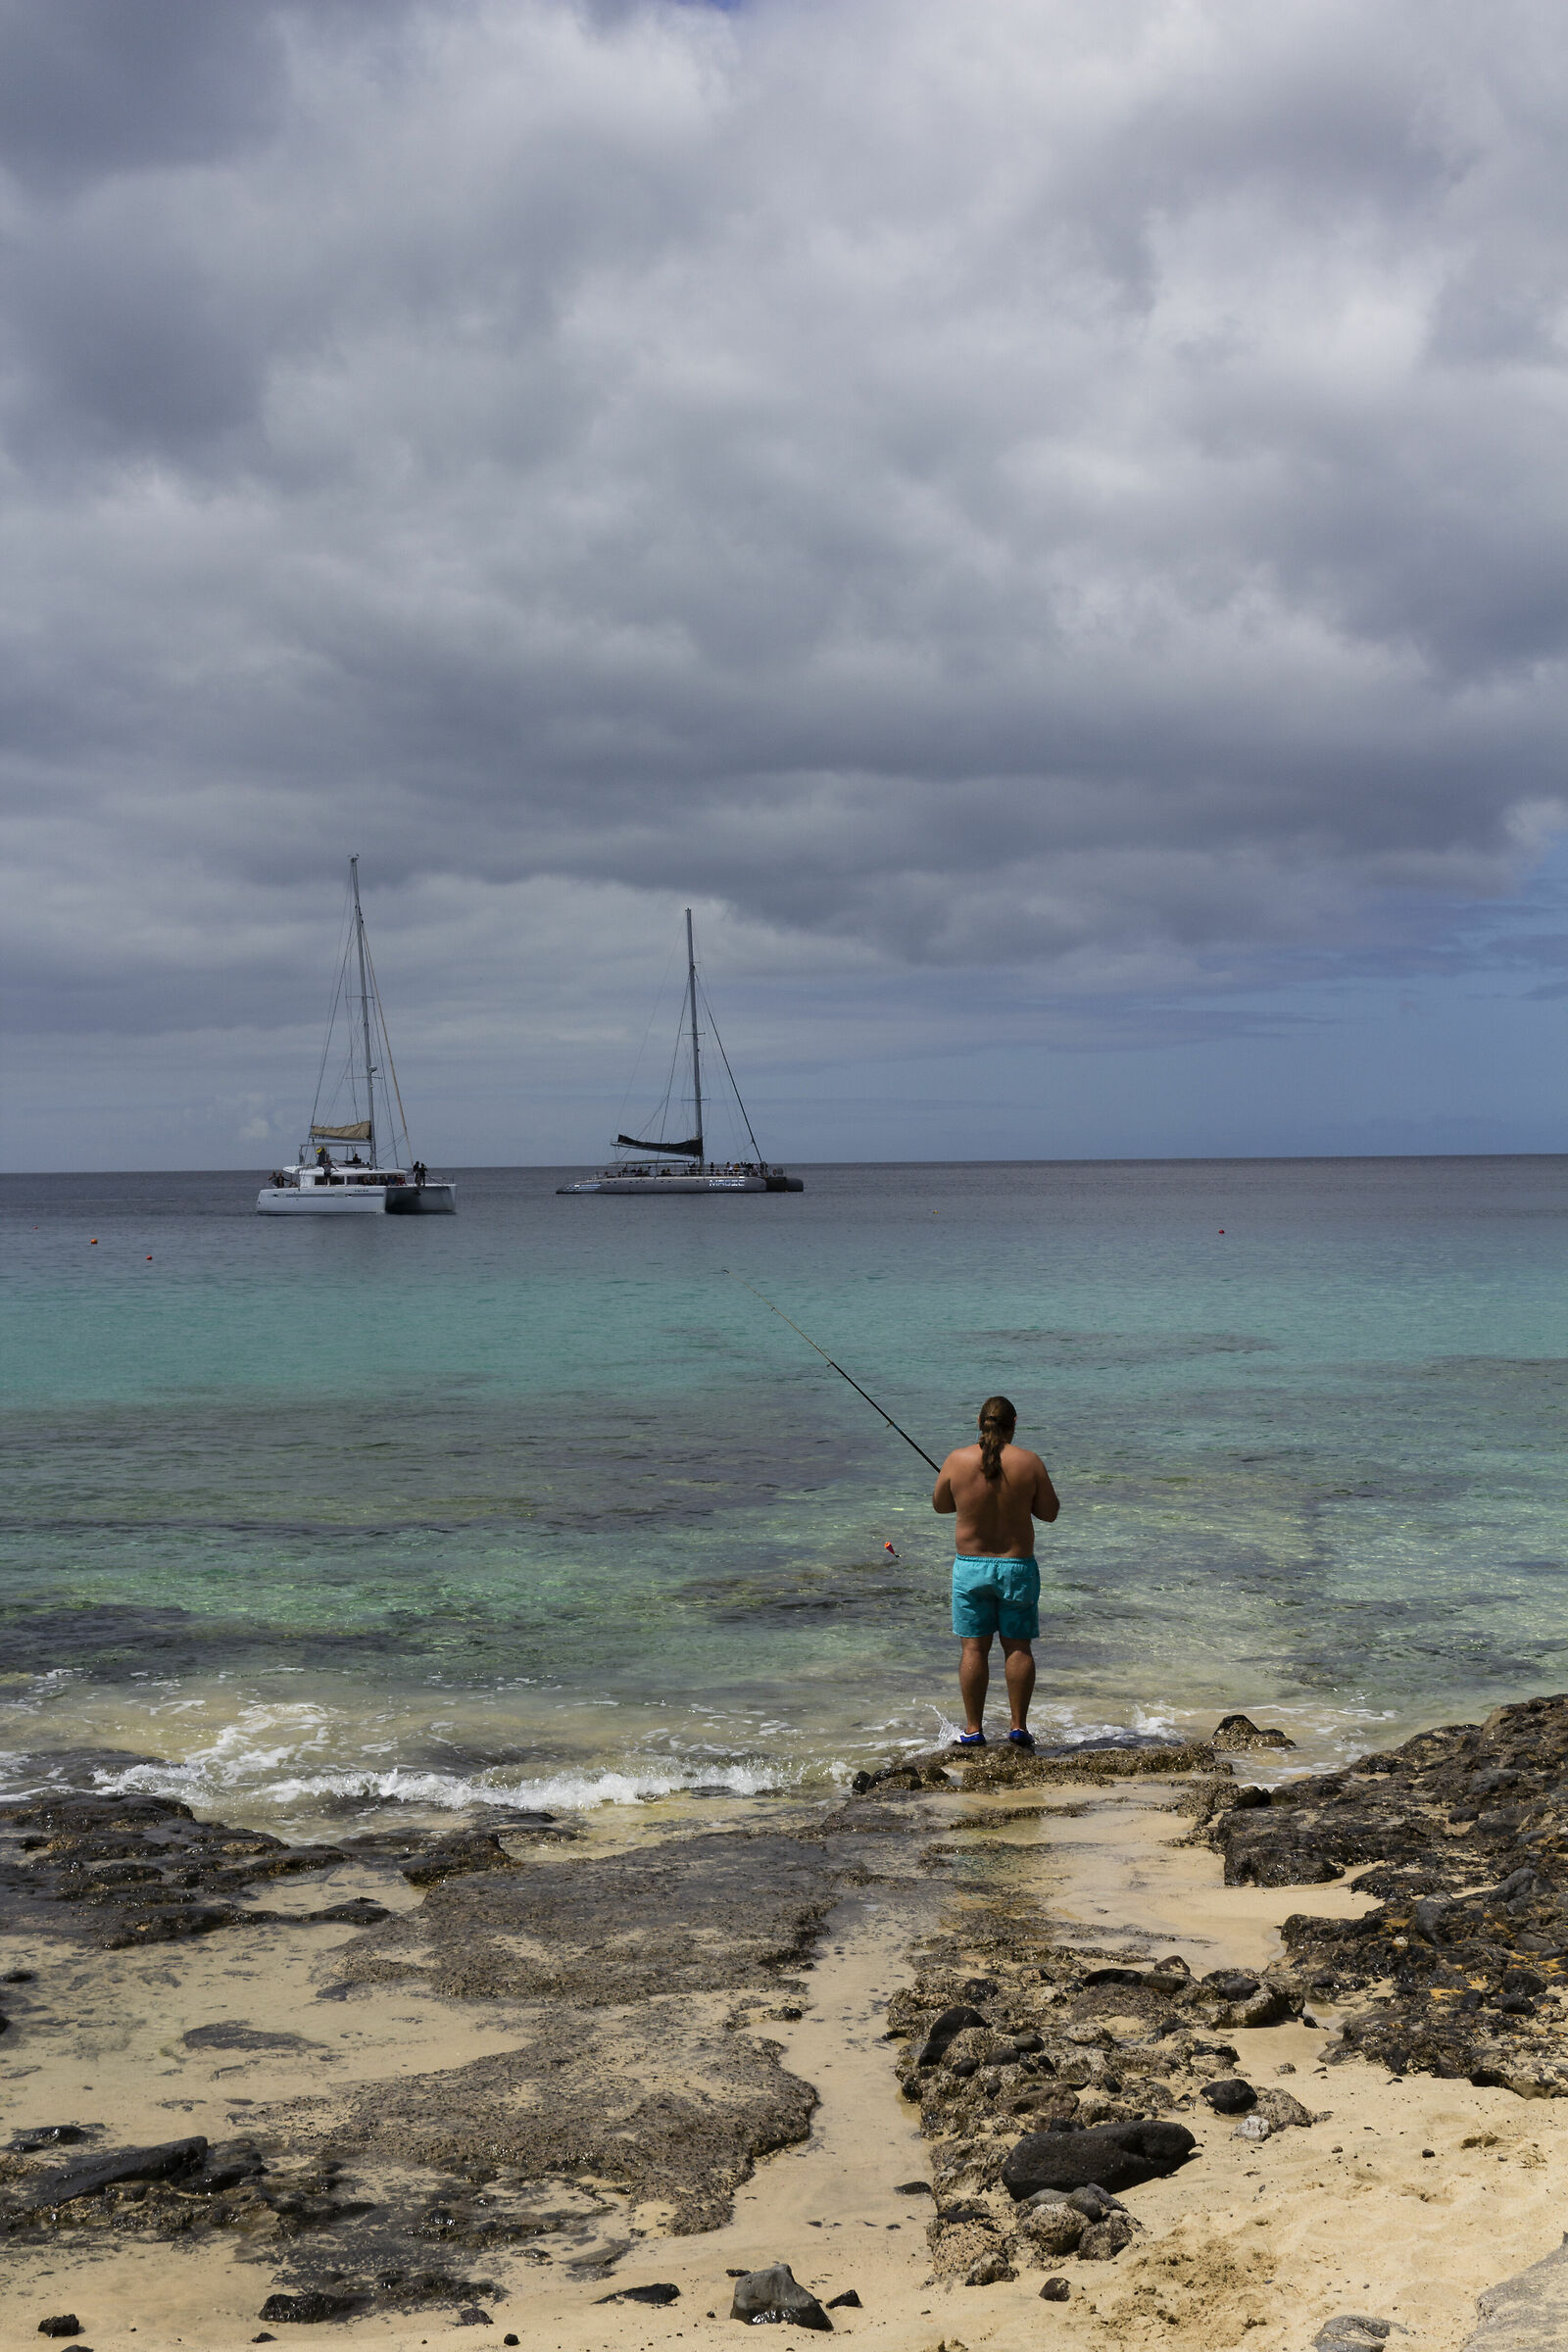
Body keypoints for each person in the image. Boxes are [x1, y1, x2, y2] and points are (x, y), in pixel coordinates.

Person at [932, 1395, 1059, 1749]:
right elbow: (1050, 1513)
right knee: (1018, 1647)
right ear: (1014, 1423)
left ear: (979, 1422)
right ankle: (1018, 1728)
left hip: (970, 1568)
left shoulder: (957, 1460)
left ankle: (974, 1729)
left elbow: (941, 1506)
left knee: (973, 1649)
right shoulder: (1029, 1462)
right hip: (1017, 1568)